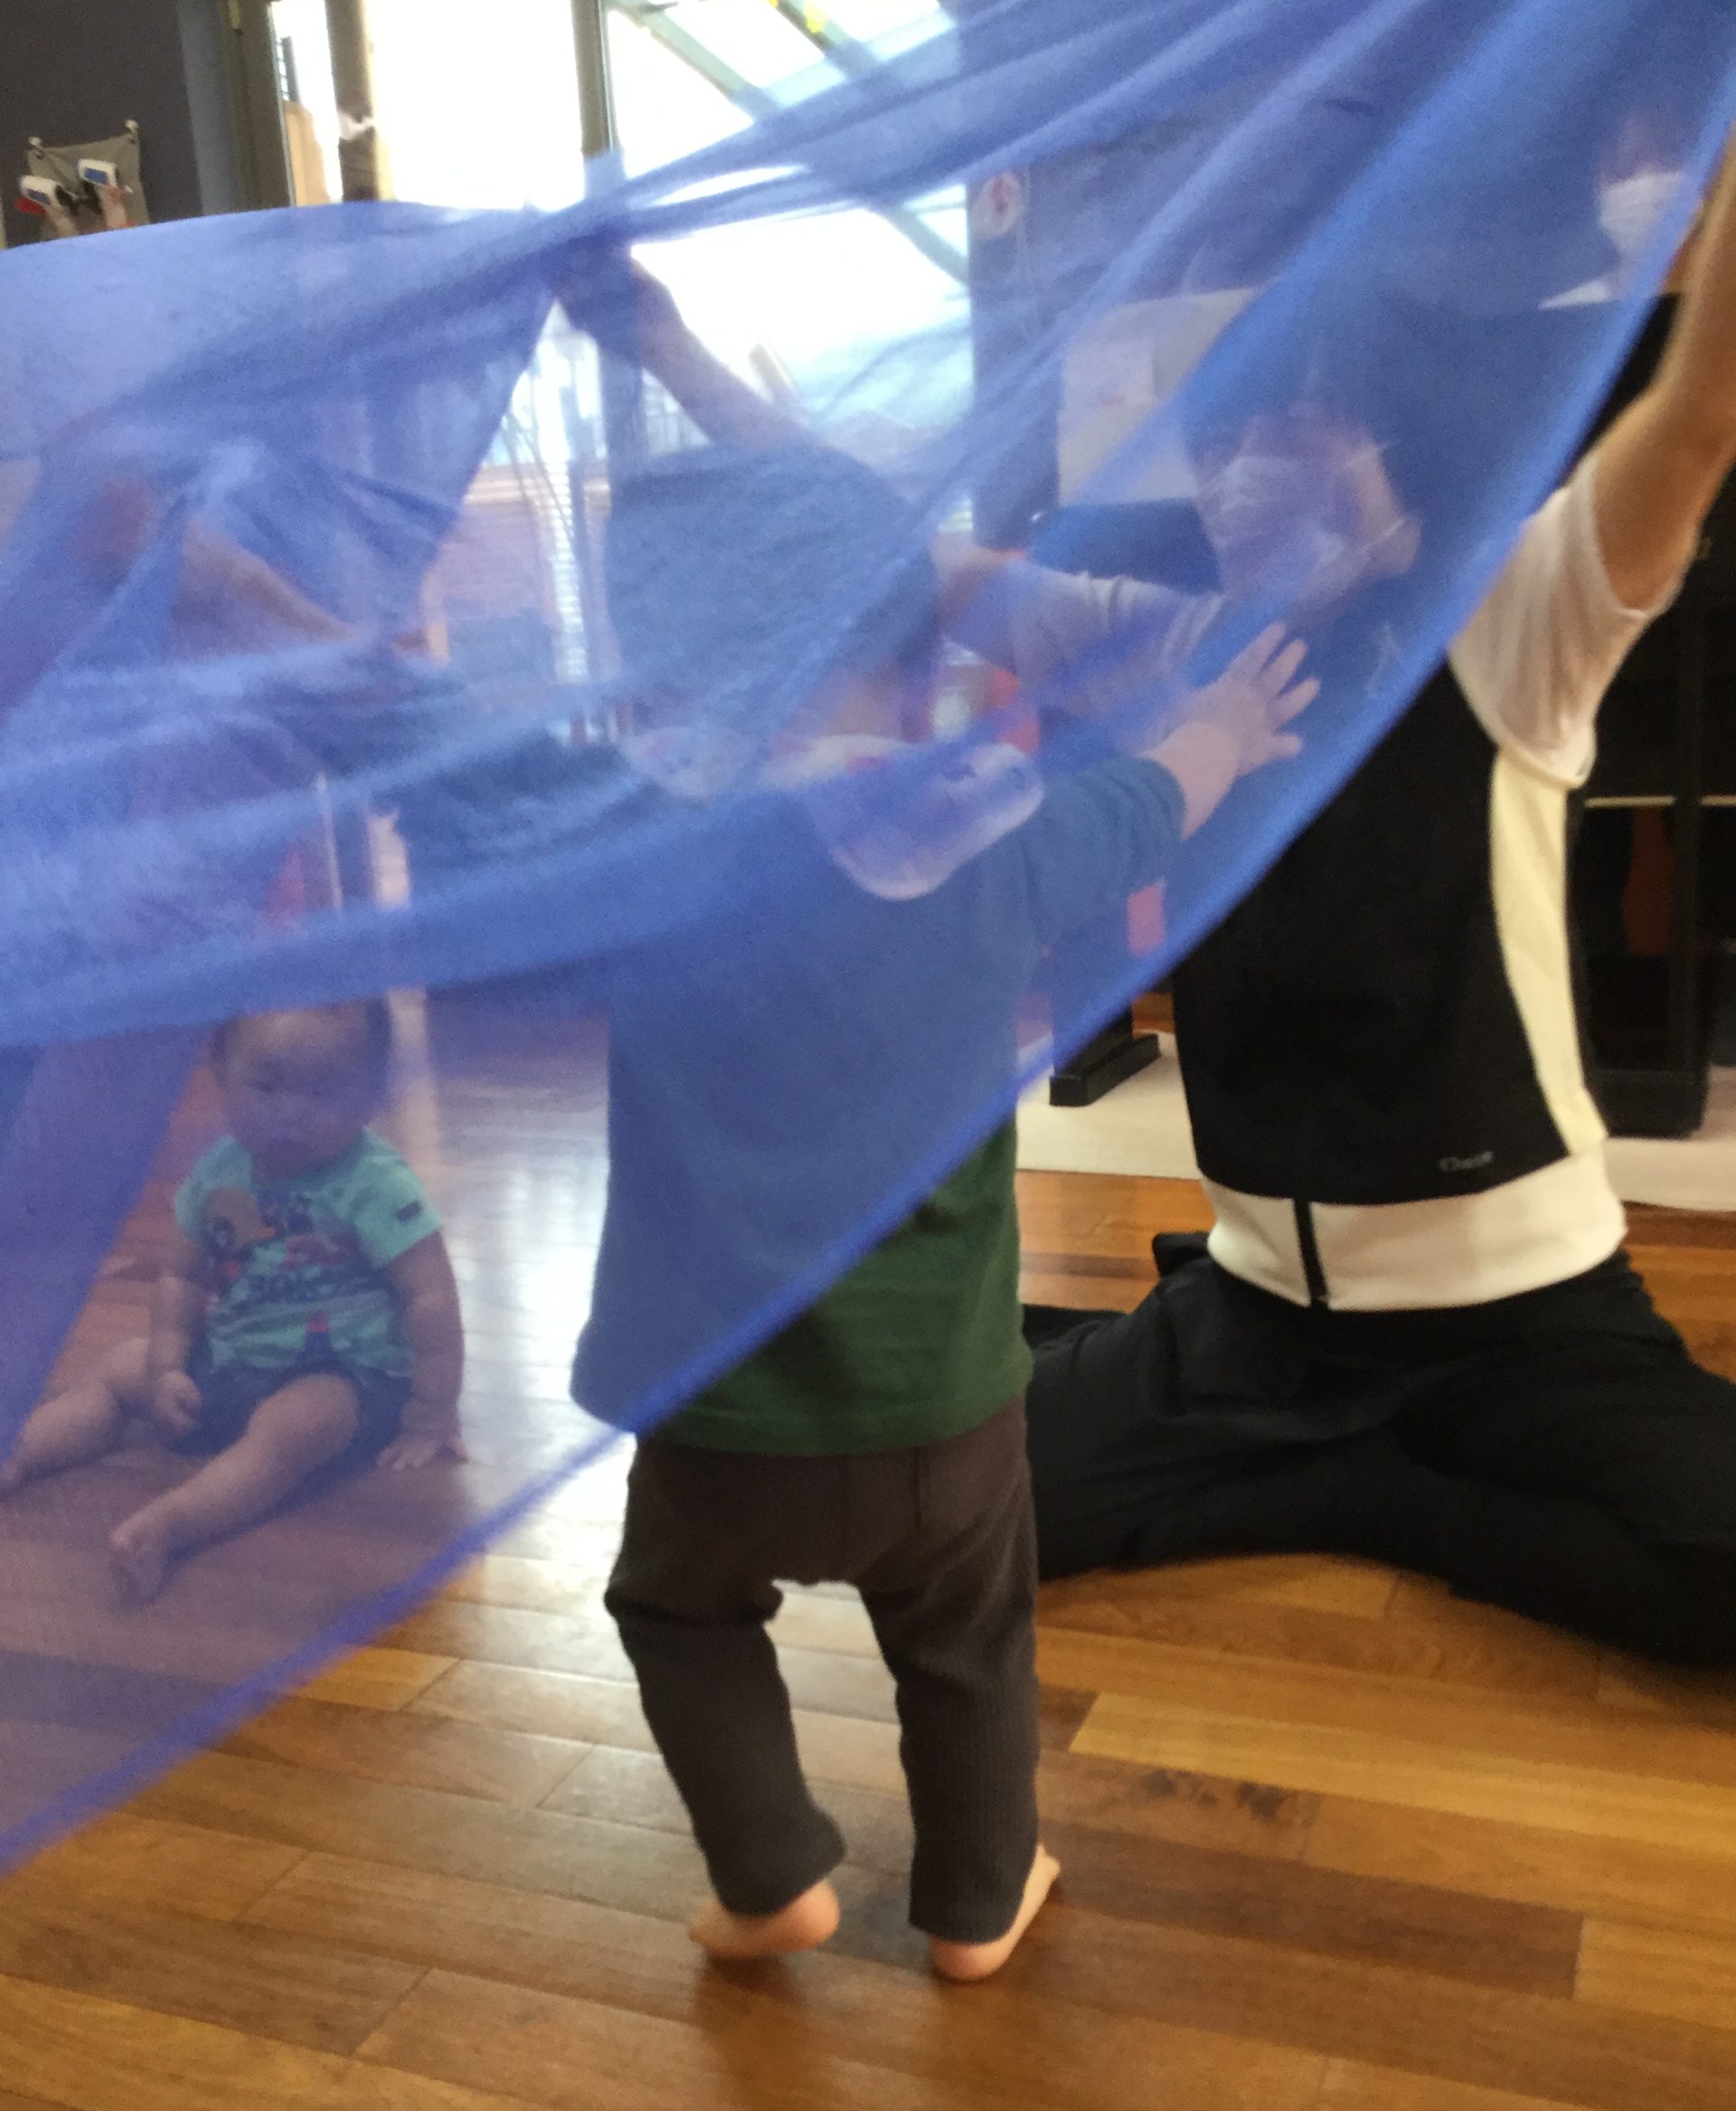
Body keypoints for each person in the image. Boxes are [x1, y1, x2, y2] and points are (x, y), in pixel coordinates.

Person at [570, 436, 1317, 1979]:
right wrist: (1228, 729)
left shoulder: (636, 857)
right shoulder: (986, 827)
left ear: (663, 675)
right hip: (949, 1413)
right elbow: (1146, 802)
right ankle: (980, 1902)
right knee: (967, 1646)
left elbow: (419, 736)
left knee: (679, 1615)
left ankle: (772, 1875)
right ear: (920, 658)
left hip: (719, 1421)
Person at [1024, 137, 1736, 1666]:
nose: (1241, 477)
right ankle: (1319, 1461)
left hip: (1523, 1326)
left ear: (1386, 435)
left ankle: (1369, 1493)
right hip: (1257, 1322)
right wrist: (680, 363)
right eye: (1220, 445)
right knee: (979, 1509)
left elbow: (1697, 418)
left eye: (1287, 428)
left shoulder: (1513, 615)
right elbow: (946, 586)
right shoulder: (1192, 646)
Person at [0, 1000, 465, 1600]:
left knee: (300, 1422)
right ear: (219, 1072)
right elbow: (183, 1280)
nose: (291, 1112)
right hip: (232, 1359)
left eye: (324, 1091)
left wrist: (433, 1409)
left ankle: (173, 1523)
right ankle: (19, 1454)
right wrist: (167, 1367)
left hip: (345, 1374)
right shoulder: (218, 1175)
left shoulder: (375, 1183)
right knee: (119, 1367)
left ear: (372, 1095)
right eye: (267, 1086)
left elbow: (429, 1296)